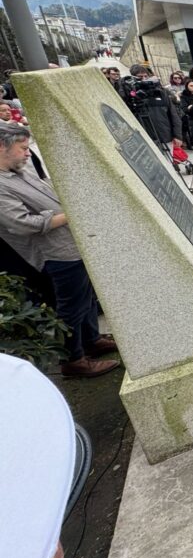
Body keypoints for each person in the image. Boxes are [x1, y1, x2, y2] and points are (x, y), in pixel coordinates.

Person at [0, 122, 119, 377]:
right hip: (57, 254)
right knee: (71, 308)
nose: (27, 153)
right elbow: (21, 224)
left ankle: (92, 341)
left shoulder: (17, 172)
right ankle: (74, 359)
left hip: (70, 246)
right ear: (2, 147)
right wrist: (70, 215)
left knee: (86, 299)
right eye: (22, 148)